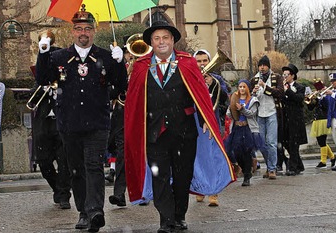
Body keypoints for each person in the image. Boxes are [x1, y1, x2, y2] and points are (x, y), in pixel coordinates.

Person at [124, 20, 234, 233]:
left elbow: (200, 95)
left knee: (183, 176)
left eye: (165, 37)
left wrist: (205, 121)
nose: (161, 42)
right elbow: (134, 102)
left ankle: (179, 215)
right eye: (157, 38)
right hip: (154, 133)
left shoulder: (187, 63)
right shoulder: (140, 67)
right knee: (160, 176)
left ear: (173, 40)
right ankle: (166, 219)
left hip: (184, 131)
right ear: (151, 43)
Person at [35, 6, 128, 232]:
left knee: (94, 166)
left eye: (87, 28)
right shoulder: (59, 57)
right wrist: (43, 53)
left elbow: (120, 87)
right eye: (78, 29)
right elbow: (43, 79)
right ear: (72, 31)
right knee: (76, 169)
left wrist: (119, 64)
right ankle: (83, 212)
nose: (83, 33)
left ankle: (96, 210)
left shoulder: (106, 57)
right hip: (69, 123)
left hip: (97, 122)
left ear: (94, 31)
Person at [30, 33, 72, 210]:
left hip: (62, 124)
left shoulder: (66, 79)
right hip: (44, 125)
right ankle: (57, 188)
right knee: (43, 161)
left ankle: (63, 195)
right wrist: (44, 89)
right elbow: (31, 101)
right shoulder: (41, 81)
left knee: (65, 162)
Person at [193, 49, 230, 206]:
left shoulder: (217, 79)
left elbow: (225, 99)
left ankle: (214, 192)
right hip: (195, 122)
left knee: (213, 155)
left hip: (213, 121)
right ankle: (201, 188)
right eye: (199, 61)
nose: (202, 64)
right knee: (198, 156)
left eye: (204, 61)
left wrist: (213, 84)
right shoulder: (191, 79)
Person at [226, 79, 263, 186]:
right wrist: (232, 109)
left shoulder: (253, 100)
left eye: (244, 87)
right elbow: (229, 114)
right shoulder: (235, 98)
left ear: (247, 88)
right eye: (240, 87)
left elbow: (252, 114)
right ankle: (246, 168)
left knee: (246, 152)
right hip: (237, 128)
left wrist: (242, 109)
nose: (241, 89)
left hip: (247, 129)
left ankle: (247, 175)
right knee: (236, 152)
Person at [250, 55, 283, 176]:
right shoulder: (254, 79)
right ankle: (269, 167)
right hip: (259, 114)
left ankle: (272, 168)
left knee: (272, 142)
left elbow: (280, 93)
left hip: (272, 112)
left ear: (268, 66)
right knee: (262, 143)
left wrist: (265, 87)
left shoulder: (276, 77)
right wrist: (253, 92)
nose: (262, 68)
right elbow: (249, 98)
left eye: (264, 65)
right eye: (260, 65)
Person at [280, 64, 307, 176]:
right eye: (284, 74)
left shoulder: (300, 87)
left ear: (293, 75)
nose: (285, 77)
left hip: (296, 119)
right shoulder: (282, 87)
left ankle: (293, 167)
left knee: (294, 144)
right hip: (285, 119)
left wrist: (288, 91)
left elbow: (299, 99)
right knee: (286, 143)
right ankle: (299, 165)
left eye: (287, 74)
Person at [306, 78, 334, 168]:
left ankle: (323, 161)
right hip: (317, 120)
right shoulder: (318, 96)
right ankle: (333, 157)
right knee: (321, 141)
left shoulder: (327, 95)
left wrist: (322, 97)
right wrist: (310, 100)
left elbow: (327, 106)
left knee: (322, 141)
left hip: (324, 119)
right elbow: (311, 108)